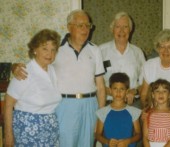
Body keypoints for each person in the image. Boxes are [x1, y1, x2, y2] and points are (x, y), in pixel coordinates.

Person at [11, 10, 106, 147]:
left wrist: (100, 116)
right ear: (69, 27)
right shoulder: (57, 49)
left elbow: (101, 87)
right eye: (80, 25)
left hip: (90, 105)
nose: (85, 29)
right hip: (64, 105)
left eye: (88, 25)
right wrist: (15, 67)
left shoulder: (95, 50)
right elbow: (37, 65)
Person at [4, 29, 61, 147]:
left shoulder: (52, 70)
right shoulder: (24, 72)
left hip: (50, 130)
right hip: (28, 130)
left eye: (53, 50)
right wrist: (8, 134)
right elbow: (8, 103)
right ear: (35, 49)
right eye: (45, 49)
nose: (49, 54)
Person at [99, 11, 145, 107]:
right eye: (118, 27)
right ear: (112, 29)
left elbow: (145, 82)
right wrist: (110, 91)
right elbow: (93, 80)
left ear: (130, 30)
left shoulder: (138, 52)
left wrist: (134, 91)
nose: (121, 31)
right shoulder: (101, 51)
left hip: (133, 104)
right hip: (108, 104)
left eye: (125, 27)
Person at [95, 72, 141, 147]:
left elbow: (138, 134)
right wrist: (107, 141)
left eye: (122, 89)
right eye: (115, 88)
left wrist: (127, 141)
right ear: (110, 90)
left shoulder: (133, 111)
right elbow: (97, 134)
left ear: (127, 91)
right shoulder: (102, 112)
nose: (118, 92)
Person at [142, 79, 170, 147]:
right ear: (153, 95)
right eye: (157, 91)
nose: (161, 94)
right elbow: (145, 137)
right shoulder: (148, 113)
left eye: (164, 91)